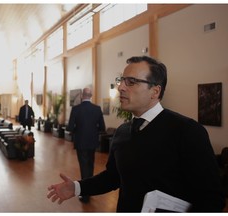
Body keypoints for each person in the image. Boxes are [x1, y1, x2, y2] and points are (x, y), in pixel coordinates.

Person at [47, 56, 225, 212]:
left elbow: (212, 199)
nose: (121, 87)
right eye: (121, 80)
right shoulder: (123, 132)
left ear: (155, 91)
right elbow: (113, 177)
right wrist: (77, 187)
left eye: (131, 82)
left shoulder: (186, 131)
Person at [66, 87, 106, 203]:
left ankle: (85, 194)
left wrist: (77, 129)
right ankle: (89, 190)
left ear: (82, 96)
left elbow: (69, 127)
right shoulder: (97, 109)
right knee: (90, 166)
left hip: (81, 142)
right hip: (92, 142)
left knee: (84, 167)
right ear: (91, 96)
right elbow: (102, 128)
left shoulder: (76, 109)